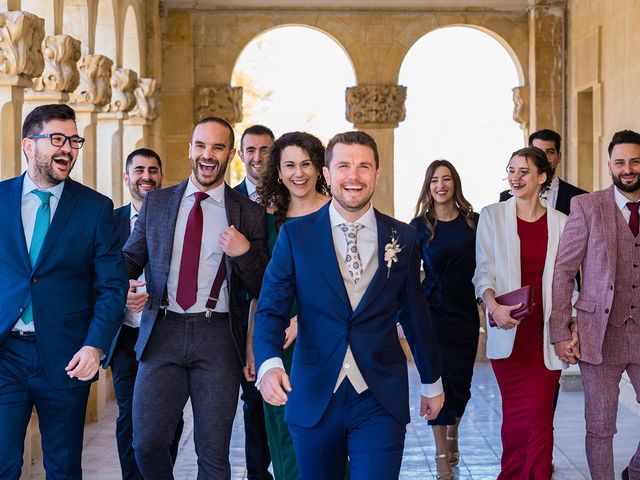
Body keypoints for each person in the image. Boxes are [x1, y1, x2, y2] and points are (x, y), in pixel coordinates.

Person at [254, 131, 444, 480]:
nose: (353, 176)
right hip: (314, 394)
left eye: (363, 167)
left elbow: (415, 315)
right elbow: (270, 308)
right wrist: (268, 363)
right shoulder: (296, 236)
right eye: (343, 166)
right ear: (327, 175)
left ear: (377, 174)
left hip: (379, 398)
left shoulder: (402, 237)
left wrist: (432, 381)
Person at [122, 116, 269, 479]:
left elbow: (263, 281)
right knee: (147, 444)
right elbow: (129, 258)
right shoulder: (157, 203)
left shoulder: (248, 212)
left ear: (230, 154)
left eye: (218, 147)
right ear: (190, 149)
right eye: (201, 145)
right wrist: (121, 285)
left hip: (217, 337)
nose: (208, 154)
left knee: (214, 455)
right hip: (163, 332)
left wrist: (244, 250)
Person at [0, 103, 128, 479]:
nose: (68, 148)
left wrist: (95, 345)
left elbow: (112, 286)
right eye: (57, 138)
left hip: (67, 358)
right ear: (28, 145)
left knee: (63, 468)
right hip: (5, 354)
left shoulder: (95, 208)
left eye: (74, 140)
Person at [473, 146, 575, 479]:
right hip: (508, 335)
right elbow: (482, 273)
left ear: (542, 177)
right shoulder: (492, 215)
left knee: (540, 420)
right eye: (511, 170)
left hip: (546, 338)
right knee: (516, 421)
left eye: (524, 171)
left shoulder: (562, 222)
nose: (515, 178)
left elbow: (568, 281)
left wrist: (570, 327)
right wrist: (493, 307)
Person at [551, 129, 640, 480]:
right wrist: (560, 330)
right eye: (620, 162)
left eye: (635, 161)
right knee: (601, 427)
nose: (628, 168)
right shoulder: (587, 207)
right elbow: (564, 269)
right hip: (598, 334)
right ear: (610, 166)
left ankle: (634, 471)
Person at [251, 131, 331, 479]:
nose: (298, 173)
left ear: (319, 168)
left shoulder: (336, 214)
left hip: (327, 338)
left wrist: (303, 321)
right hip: (277, 341)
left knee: (327, 432)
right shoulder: (266, 218)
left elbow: (350, 284)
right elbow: (259, 288)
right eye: (289, 165)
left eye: (306, 164)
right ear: (278, 172)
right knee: (284, 435)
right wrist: (254, 348)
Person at [104, 148, 183, 479]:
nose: (146, 176)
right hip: (126, 336)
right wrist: (121, 298)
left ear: (161, 177)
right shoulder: (109, 223)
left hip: (166, 335)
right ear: (126, 178)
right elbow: (99, 277)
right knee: (129, 417)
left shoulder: (176, 218)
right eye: (139, 170)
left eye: (153, 170)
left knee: (170, 418)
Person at [410, 160, 479, 480]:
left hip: (465, 312)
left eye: (447, 178)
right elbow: (407, 276)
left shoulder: (473, 222)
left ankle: (453, 434)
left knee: (460, 384)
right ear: (428, 186)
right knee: (437, 381)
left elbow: (490, 263)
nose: (441, 184)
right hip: (432, 313)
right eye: (435, 179)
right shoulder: (419, 226)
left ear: (455, 183)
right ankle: (441, 455)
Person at [234, 124, 275, 480]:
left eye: (265, 150)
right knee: (253, 403)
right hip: (239, 320)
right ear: (240, 154)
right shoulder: (228, 201)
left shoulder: (289, 200)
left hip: (289, 317)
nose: (257, 157)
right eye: (251, 150)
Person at [500, 129, 587, 215]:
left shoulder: (580, 197)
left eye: (550, 152)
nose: (543, 157)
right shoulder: (506, 198)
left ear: (559, 156)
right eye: (537, 151)